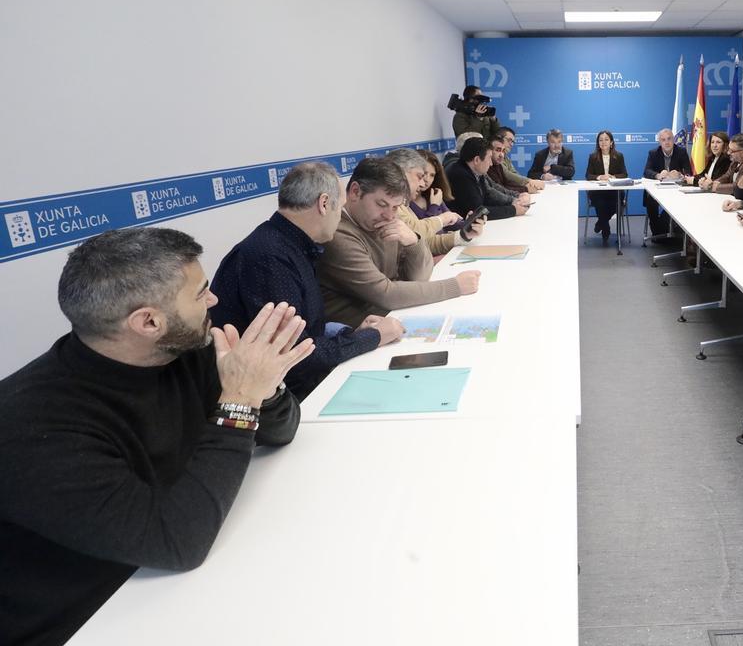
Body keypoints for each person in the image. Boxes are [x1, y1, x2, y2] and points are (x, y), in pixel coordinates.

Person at [0, 228, 306, 644]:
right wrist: (240, 398)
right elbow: (176, 542)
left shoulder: (183, 349)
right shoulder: (29, 426)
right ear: (148, 322)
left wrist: (264, 386)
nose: (214, 300)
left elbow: (281, 432)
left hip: (173, 582)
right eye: (201, 294)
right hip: (88, 620)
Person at [210, 162, 405, 400]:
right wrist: (373, 337)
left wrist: (354, 334)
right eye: (339, 208)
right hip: (282, 399)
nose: (338, 218)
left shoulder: (289, 245)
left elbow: (307, 333)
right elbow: (296, 356)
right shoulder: (270, 257)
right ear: (324, 204)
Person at [318, 157, 480, 328]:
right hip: (357, 333)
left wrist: (413, 242)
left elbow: (419, 277)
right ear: (355, 192)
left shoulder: (383, 222)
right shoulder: (337, 233)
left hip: (392, 319)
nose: (389, 215)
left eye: (396, 207)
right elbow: (386, 294)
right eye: (381, 204)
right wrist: (455, 286)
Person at [387, 148, 484, 256]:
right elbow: (416, 231)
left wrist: (464, 234)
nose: (423, 183)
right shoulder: (395, 205)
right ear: (400, 173)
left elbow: (424, 242)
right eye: (420, 176)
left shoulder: (408, 203)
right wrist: (441, 218)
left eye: (432, 175)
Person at [446, 136, 529, 221]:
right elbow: (478, 212)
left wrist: (514, 202)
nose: (491, 164)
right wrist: (513, 210)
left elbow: (488, 196)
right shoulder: (460, 176)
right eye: (489, 158)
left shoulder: (476, 170)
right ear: (477, 160)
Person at [642, 128, 693, 236]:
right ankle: (656, 232)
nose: (667, 142)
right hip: (657, 189)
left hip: (676, 190)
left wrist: (680, 175)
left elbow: (689, 172)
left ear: (674, 139)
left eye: (669, 139)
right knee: (650, 200)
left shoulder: (681, 152)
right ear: (660, 142)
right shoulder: (653, 153)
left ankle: (665, 230)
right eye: (663, 140)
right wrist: (658, 175)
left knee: (677, 202)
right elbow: (647, 171)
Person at [585, 129, 628, 244]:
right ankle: (606, 229)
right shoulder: (593, 157)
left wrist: (612, 176)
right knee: (600, 203)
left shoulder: (619, 156)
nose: (603, 142)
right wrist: (600, 177)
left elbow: (624, 174)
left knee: (617, 203)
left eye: (606, 140)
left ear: (611, 142)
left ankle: (600, 223)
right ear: (598, 143)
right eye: (600, 140)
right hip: (598, 192)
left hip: (614, 191)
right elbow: (588, 175)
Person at [497, 126, 544, 192]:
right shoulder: (495, 157)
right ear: (499, 139)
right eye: (509, 140)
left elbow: (514, 173)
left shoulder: (506, 157)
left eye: (513, 142)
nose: (511, 144)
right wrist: (529, 181)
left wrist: (528, 184)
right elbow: (507, 174)